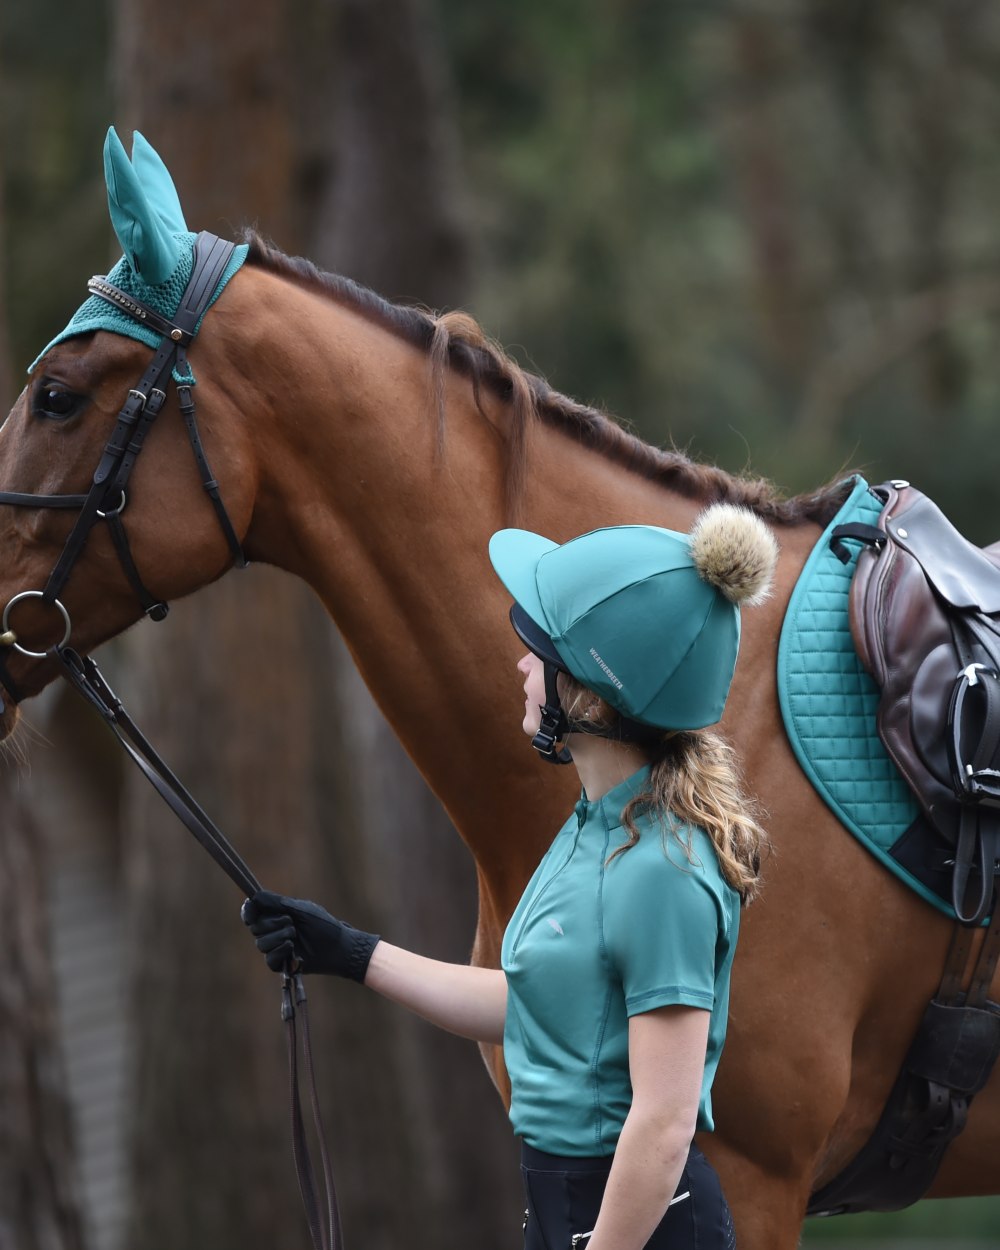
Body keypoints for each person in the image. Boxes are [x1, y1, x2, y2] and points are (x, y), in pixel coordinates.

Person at [242, 503, 778, 1250]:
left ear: (591, 692)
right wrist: (351, 952)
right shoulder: (598, 824)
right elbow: (536, 1003)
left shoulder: (663, 870)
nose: (523, 665)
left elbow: (662, 1125)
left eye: (539, 651)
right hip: (568, 1210)